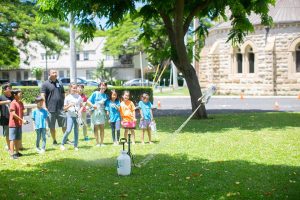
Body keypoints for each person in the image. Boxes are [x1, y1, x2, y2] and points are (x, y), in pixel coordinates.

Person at [40, 69, 66, 145]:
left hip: (60, 108)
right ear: (49, 74)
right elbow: (43, 96)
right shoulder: (45, 84)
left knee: (64, 125)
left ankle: (65, 139)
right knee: (52, 126)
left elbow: (63, 93)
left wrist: (65, 104)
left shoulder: (59, 82)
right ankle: (54, 140)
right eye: (53, 73)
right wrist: (44, 106)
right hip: (50, 109)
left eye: (56, 73)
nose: (55, 74)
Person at [61, 83, 83, 151]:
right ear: (70, 88)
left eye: (76, 88)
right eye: (73, 88)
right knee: (68, 130)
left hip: (77, 116)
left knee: (76, 131)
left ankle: (75, 146)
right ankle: (62, 144)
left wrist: (80, 111)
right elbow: (64, 108)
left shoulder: (79, 97)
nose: (75, 89)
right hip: (70, 115)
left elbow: (82, 106)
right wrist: (69, 105)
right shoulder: (67, 97)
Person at [86, 82, 108, 146]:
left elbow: (106, 105)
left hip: (102, 113)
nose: (103, 87)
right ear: (99, 86)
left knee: (102, 127)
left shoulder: (106, 96)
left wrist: (107, 111)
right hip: (95, 112)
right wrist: (93, 105)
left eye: (104, 86)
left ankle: (102, 142)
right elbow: (88, 101)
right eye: (102, 85)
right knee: (95, 127)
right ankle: (97, 143)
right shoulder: (95, 93)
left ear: (106, 87)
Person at [9, 89, 27, 159]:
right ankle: (11, 154)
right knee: (12, 139)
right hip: (13, 124)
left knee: (17, 139)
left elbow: (22, 112)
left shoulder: (21, 103)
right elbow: (13, 114)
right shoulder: (13, 103)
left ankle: (17, 152)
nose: (21, 95)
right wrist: (22, 120)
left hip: (19, 124)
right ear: (15, 95)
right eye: (20, 93)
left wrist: (23, 120)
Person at [0, 83, 13, 151]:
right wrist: (5, 102)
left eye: (11, 87)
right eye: (9, 88)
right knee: (7, 134)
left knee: (14, 133)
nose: (10, 88)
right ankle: (9, 147)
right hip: (5, 118)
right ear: (4, 90)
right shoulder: (1, 97)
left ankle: (16, 146)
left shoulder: (13, 96)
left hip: (13, 118)